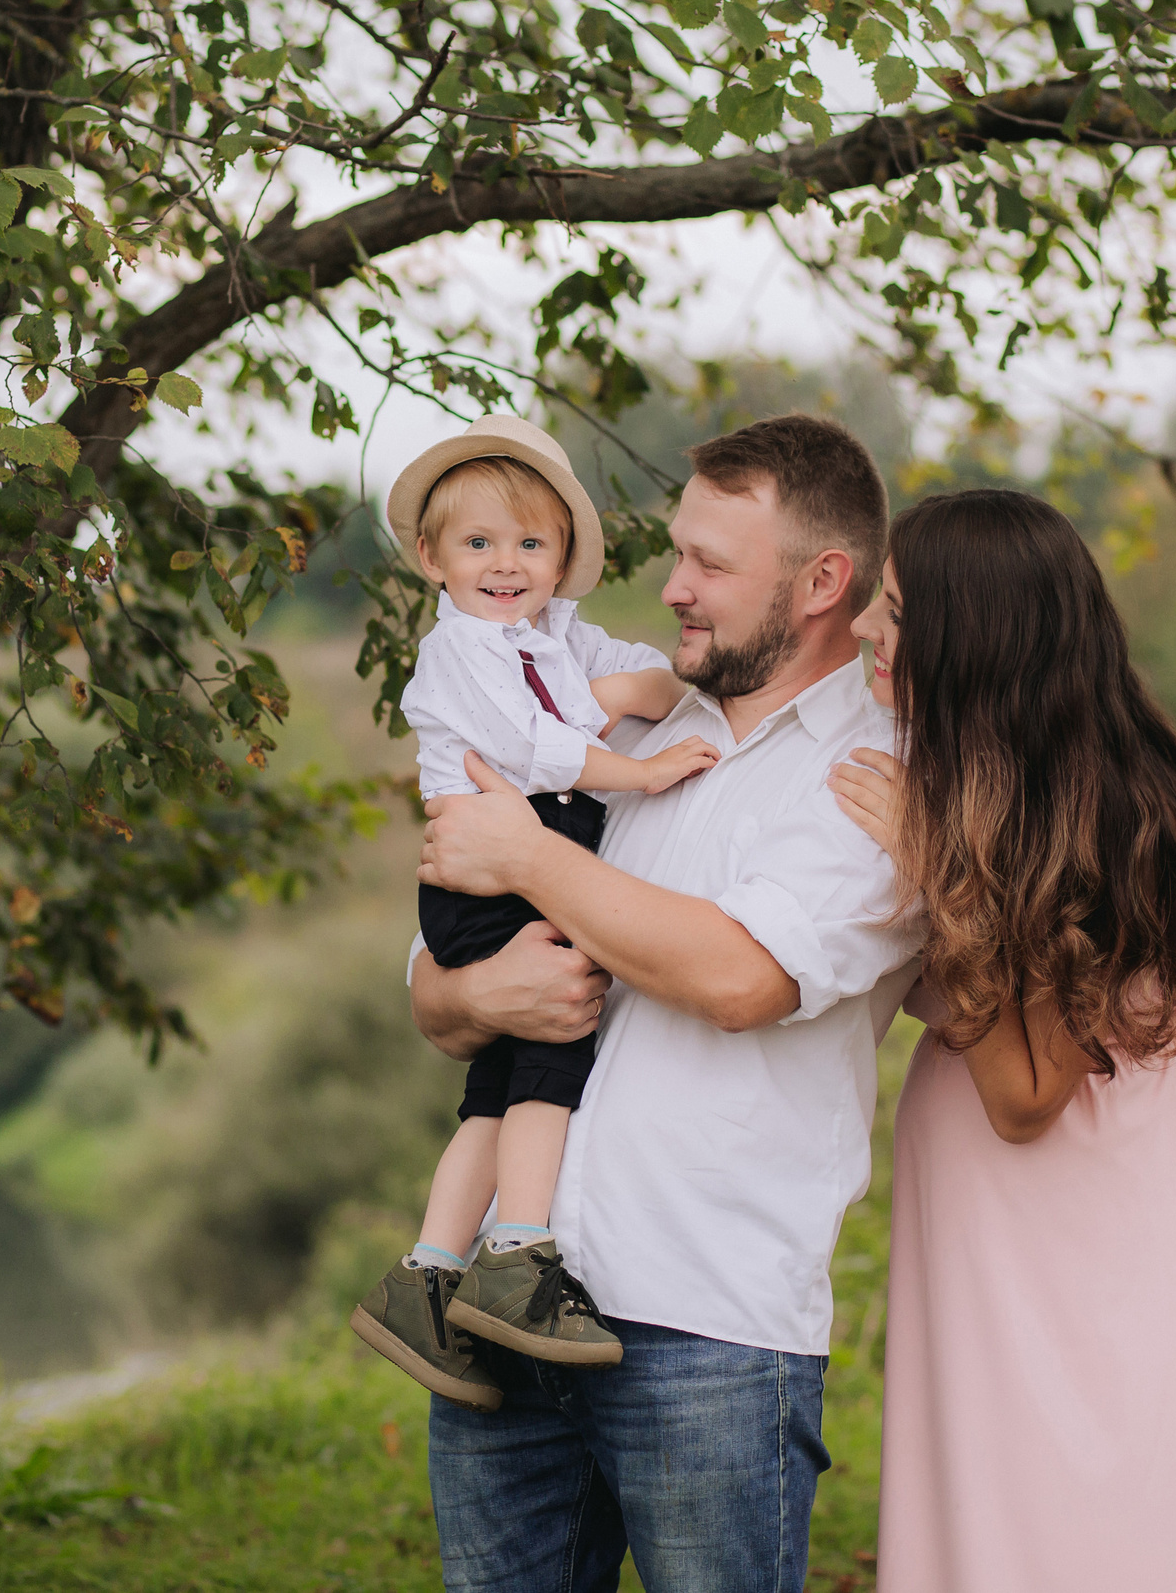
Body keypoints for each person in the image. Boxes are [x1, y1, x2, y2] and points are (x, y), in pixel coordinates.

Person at [412, 414, 920, 1593]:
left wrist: (532, 862)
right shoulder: (603, 719)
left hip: (708, 1332)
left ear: (822, 583)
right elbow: (439, 1000)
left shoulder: (883, 772)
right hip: (503, 1311)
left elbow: (741, 977)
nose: (672, 587)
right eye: (677, 553)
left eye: (709, 565)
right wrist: (484, 987)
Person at [830, 488, 1176, 1592]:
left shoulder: (1092, 817)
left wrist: (939, 872)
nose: (864, 626)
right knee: (998, 1512)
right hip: (1008, 1233)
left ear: (969, 641)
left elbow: (1026, 1093)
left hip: (1100, 1236)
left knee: (1104, 1515)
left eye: (893, 610)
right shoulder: (990, 777)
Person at [351, 416, 720, 1405]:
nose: (505, 565)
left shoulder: (551, 634)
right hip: (496, 862)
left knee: (498, 1088)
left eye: (529, 544)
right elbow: (537, 748)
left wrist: (666, 682)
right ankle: (517, 1257)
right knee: (555, 1047)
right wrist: (638, 769)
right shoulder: (461, 648)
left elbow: (630, 672)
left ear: (562, 558)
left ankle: (428, 1275)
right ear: (431, 558)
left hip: (519, 851)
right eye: (478, 544)